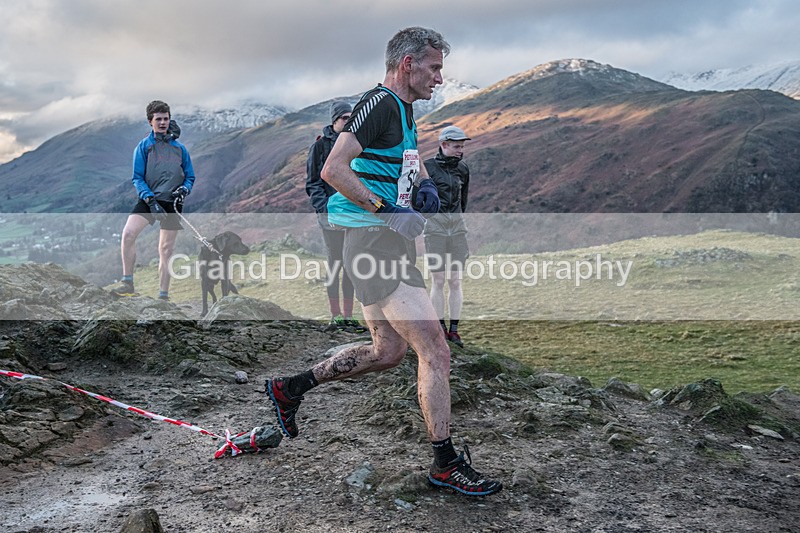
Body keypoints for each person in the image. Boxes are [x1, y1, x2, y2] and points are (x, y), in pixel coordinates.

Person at [266, 27, 502, 496]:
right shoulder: (379, 104)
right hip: (373, 244)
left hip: (382, 243)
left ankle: (289, 389)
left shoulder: (405, 112)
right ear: (407, 64)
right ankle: (445, 463)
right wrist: (388, 210)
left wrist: (419, 189)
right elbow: (334, 170)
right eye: (434, 67)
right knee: (435, 350)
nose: (440, 77)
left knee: (387, 352)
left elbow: (391, 170)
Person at [109, 100, 196, 301]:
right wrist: (149, 199)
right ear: (150, 121)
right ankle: (127, 283)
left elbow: (190, 176)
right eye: (159, 119)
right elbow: (137, 177)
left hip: (172, 201)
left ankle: (163, 297)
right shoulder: (143, 146)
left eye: (166, 118)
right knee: (128, 234)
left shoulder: (180, 149)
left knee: (166, 250)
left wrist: (185, 189)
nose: (163, 122)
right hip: (149, 199)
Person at [305, 101, 365, 332]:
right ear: (334, 120)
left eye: (352, 117)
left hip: (353, 215)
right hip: (329, 216)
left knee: (351, 264)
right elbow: (313, 183)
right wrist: (325, 208)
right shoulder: (319, 147)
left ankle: (348, 316)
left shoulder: (355, 144)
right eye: (344, 118)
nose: (348, 121)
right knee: (335, 264)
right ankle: (335, 315)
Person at [418, 125, 472, 347]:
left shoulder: (463, 169)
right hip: (435, 230)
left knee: (455, 280)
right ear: (444, 145)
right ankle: (439, 326)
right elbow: (419, 198)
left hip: (457, 229)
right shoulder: (427, 167)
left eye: (462, 146)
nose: (461, 150)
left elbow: (464, 199)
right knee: (438, 280)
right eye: (457, 146)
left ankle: (454, 330)